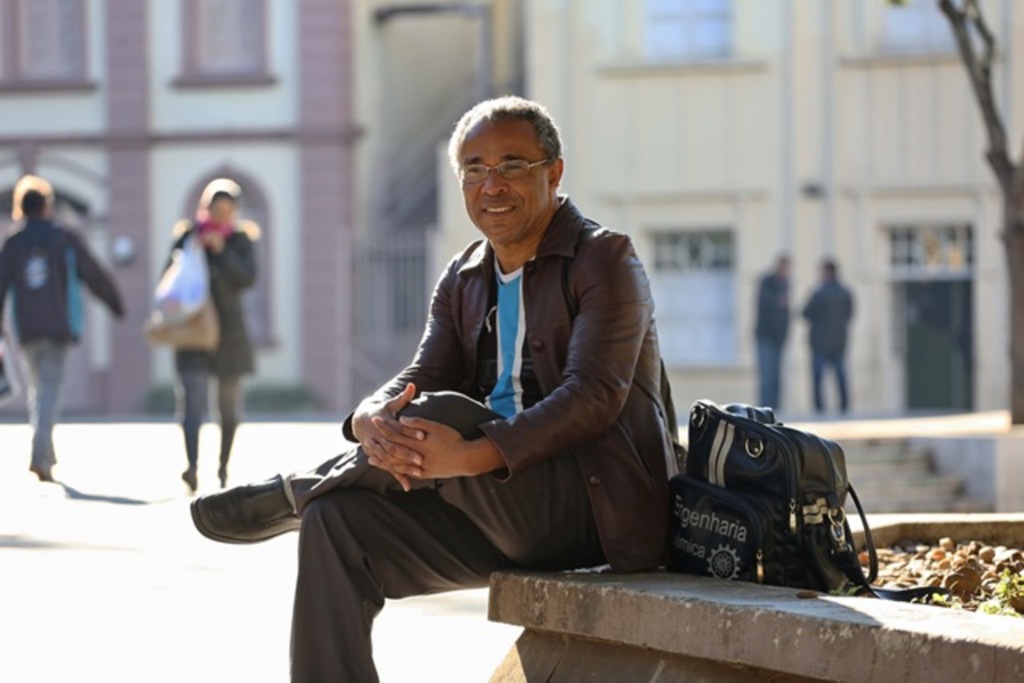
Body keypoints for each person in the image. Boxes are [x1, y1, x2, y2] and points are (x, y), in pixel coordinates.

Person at [189, 96, 677, 682]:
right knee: (335, 523)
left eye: (511, 166)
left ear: (554, 172)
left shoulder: (605, 258)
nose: (491, 184)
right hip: (491, 511)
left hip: (589, 513)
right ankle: (313, 500)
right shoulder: (465, 274)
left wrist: (474, 453)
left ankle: (297, 489)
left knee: (443, 414)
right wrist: (368, 416)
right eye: (474, 169)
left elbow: (594, 395)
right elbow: (420, 376)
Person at [0, 174, 124, 481]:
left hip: (26, 328)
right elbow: (93, 272)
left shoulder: (14, 242)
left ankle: (45, 452)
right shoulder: (64, 237)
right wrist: (115, 303)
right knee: (50, 391)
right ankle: (41, 453)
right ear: (46, 206)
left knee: (38, 389)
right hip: (59, 326)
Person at [162, 178, 259, 493]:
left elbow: (248, 278)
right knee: (191, 404)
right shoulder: (188, 236)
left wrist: (223, 254)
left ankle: (222, 468)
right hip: (192, 334)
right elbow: (168, 277)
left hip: (229, 336)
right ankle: (191, 467)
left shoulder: (241, 240)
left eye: (228, 211)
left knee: (228, 408)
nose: (221, 217)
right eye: (216, 210)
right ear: (205, 209)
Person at [802, 258, 854, 413]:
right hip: (839, 341)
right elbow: (850, 314)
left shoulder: (819, 293)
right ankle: (844, 407)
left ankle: (819, 408)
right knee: (841, 376)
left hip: (820, 341)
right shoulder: (845, 293)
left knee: (818, 378)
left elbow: (806, 313)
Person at [754, 254, 790, 410]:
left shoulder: (786, 284)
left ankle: (776, 407)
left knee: (777, 376)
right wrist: (778, 301)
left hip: (779, 337)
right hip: (766, 335)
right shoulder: (767, 282)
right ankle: (765, 407)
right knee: (767, 375)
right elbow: (763, 301)